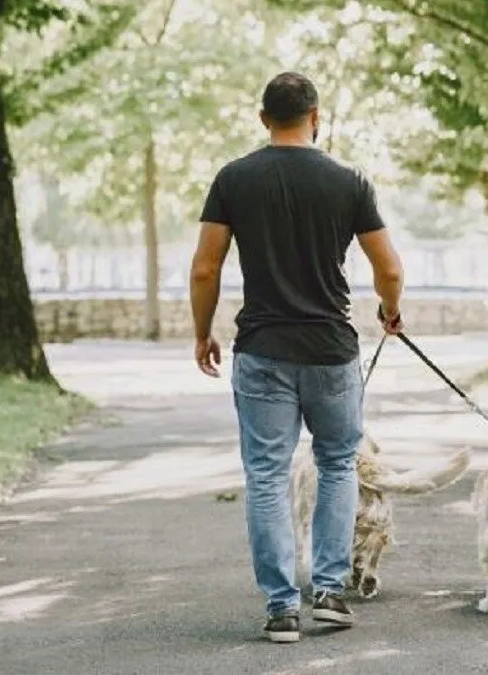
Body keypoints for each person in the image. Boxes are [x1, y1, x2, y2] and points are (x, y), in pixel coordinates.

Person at [188, 71, 405, 644]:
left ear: (264, 119)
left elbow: (205, 266)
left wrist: (202, 331)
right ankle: (330, 592)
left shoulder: (234, 179)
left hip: (262, 349)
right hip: (331, 350)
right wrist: (390, 310)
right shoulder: (348, 180)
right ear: (316, 116)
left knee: (266, 475)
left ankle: (282, 607)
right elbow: (390, 268)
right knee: (337, 465)